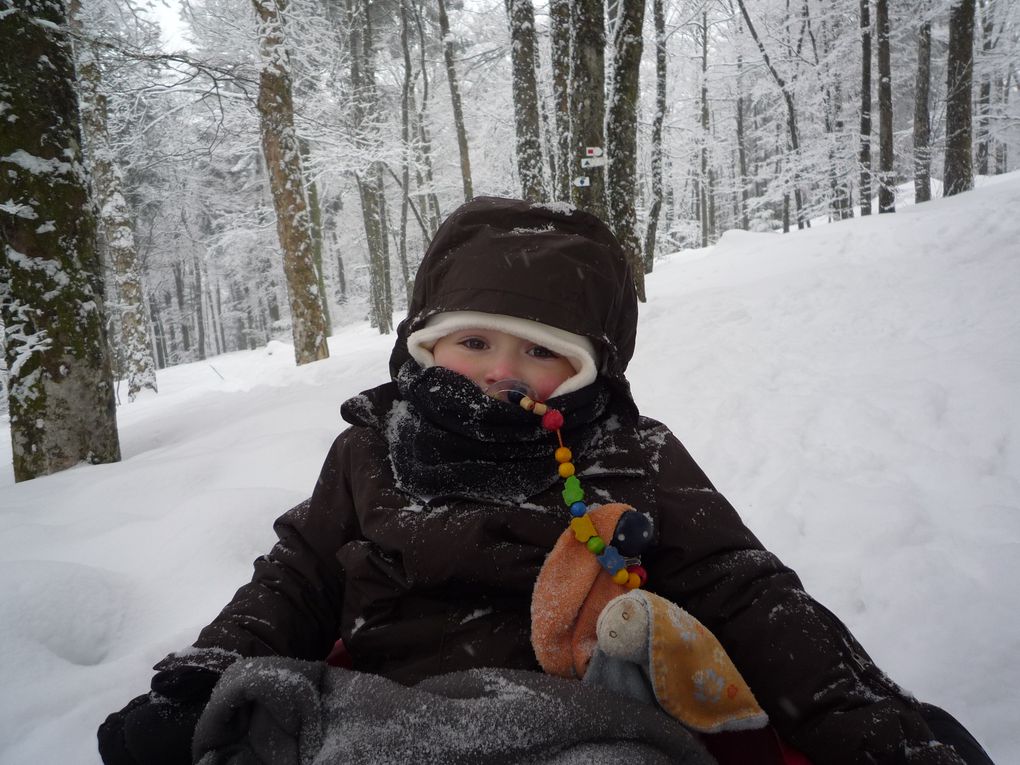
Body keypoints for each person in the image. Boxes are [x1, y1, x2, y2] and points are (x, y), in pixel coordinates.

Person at [98, 197, 992, 765]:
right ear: (425, 341)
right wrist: (202, 675)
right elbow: (298, 575)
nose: (500, 370)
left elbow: (747, 591)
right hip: (383, 712)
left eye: (539, 352)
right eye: (475, 340)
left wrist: (878, 727)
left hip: (584, 718)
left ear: (586, 371)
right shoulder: (375, 448)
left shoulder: (629, 452)